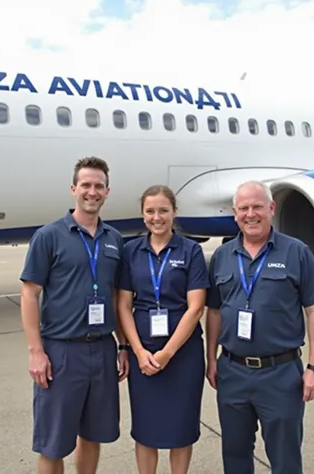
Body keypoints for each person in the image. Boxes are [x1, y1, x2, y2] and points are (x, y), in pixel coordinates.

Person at [205, 180, 314, 474]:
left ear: (271, 208)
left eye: (257, 206)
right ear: (235, 214)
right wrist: (210, 358)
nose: (251, 214)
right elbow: (213, 311)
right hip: (232, 372)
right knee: (235, 454)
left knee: (285, 457)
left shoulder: (296, 252)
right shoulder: (222, 256)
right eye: (244, 208)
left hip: (281, 374)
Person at [19, 156, 129, 474]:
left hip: (102, 348)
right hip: (61, 350)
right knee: (54, 443)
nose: (91, 192)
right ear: (73, 189)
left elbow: (114, 297)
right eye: (86, 185)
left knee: (92, 436)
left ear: (107, 191)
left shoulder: (114, 240)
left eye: (98, 186)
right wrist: (36, 351)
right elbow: (29, 294)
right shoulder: (49, 236)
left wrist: (122, 346)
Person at [117, 185, 209, 474]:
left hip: (183, 353)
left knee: (181, 427)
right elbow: (123, 305)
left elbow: (196, 307)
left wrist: (167, 352)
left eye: (163, 211)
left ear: (174, 212)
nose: (157, 217)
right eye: (150, 211)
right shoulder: (130, 251)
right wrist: (138, 351)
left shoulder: (191, 250)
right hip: (142, 349)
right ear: (143, 214)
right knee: (146, 428)